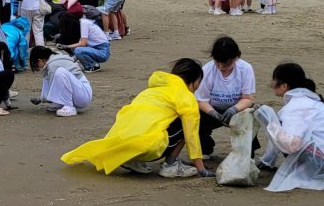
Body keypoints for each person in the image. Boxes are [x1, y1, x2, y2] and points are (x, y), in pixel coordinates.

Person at [61, 57, 212, 178]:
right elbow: (191, 135)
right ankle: (170, 165)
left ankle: (131, 158)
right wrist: (201, 168)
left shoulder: (151, 91)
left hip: (122, 141)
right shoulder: (186, 97)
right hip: (148, 147)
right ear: (195, 81)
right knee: (188, 122)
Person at [255, 62, 324, 191]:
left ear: (284, 86)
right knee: (280, 126)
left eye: (274, 81)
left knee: (278, 127)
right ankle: (268, 162)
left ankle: (317, 173)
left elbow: (291, 145)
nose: (272, 85)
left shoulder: (297, 105)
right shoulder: (310, 100)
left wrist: (268, 120)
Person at [193, 36, 257, 160]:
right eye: (217, 62)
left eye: (226, 63)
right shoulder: (207, 70)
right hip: (212, 108)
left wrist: (234, 109)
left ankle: (248, 154)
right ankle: (204, 149)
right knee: (195, 117)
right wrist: (212, 113)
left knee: (249, 117)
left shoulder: (245, 69)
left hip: (237, 109)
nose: (221, 67)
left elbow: (248, 99)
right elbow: (201, 100)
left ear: (236, 58)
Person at [29, 45, 91, 117]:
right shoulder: (55, 59)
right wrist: (41, 98)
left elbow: (53, 89)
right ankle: (61, 104)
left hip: (83, 95)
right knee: (48, 73)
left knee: (60, 71)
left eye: (36, 64)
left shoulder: (53, 65)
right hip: (80, 92)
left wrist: (41, 99)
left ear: (40, 60)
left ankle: (69, 107)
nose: (38, 67)